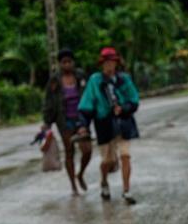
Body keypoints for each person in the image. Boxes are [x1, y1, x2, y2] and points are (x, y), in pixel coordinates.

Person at [77, 47, 140, 204]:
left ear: (116, 63)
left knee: (125, 155)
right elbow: (86, 105)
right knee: (108, 161)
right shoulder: (95, 81)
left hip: (123, 123)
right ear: (102, 64)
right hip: (104, 124)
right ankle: (104, 181)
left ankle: (126, 191)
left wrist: (123, 108)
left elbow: (134, 101)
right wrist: (83, 125)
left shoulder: (124, 79)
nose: (109, 65)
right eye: (106, 62)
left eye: (112, 62)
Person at [40, 48, 92, 195]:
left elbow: (89, 95)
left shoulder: (81, 76)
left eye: (70, 61)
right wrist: (47, 121)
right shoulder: (54, 80)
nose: (67, 65)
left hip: (82, 119)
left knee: (87, 150)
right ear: (60, 64)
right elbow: (49, 101)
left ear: (73, 62)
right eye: (64, 62)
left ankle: (80, 174)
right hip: (64, 121)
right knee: (69, 151)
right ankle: (73, 186)